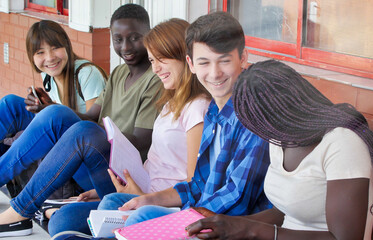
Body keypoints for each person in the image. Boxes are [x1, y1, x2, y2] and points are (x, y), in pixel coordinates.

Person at [97, 11, 271, 229]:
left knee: (140, 217)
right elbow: (197, 184)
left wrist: (182, 215)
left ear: (243, 58)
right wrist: (146, 198)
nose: (215, 73)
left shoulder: (251, 115)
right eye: (204, 62)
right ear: (191, 64)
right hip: (195, 209)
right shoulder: (214, 113)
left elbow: (237, 198)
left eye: (224, 61)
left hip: (225, 225)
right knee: (114, 207)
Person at [0, 4, 162, 237]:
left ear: (149, 35)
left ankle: (20, 212)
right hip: (97, 165)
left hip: (123, 177)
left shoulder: (154, 80)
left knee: (80, 129)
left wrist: (81, 127)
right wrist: (51, 109)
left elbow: (139, 143)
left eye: (135, 38)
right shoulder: (118, 73)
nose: (125, 47)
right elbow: (90, 115)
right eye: (118, 39)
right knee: (18, 105)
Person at [48, 18, 211, 237]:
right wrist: (126, 190)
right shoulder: (170, 102)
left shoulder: (197, 108)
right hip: (141, 192)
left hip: (165, 204)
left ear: (184, 57)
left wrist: (143, 195)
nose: (156, 68)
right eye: (153, 60)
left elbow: (195, 184)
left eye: (162, 59)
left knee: (70, 222)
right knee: (68, 219)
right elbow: (158, 162)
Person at [186, 60, 373, 240]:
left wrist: (249, 230)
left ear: (284, 114)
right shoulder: (280, 139)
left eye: (260, 124)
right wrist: (228, 225)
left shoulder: (342, 144)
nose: (260, 133)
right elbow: (284, 212)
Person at [0, 19, 107, 160]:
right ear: (32, 57)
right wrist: (44, 105)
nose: (50, 58)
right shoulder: (48, 74)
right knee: (10, 104)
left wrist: (52, 109)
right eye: (40, 52)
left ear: (67, 46)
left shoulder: (86, 73)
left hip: (85, 143)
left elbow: (93, 128)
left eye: (55, 48)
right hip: (60, 130)